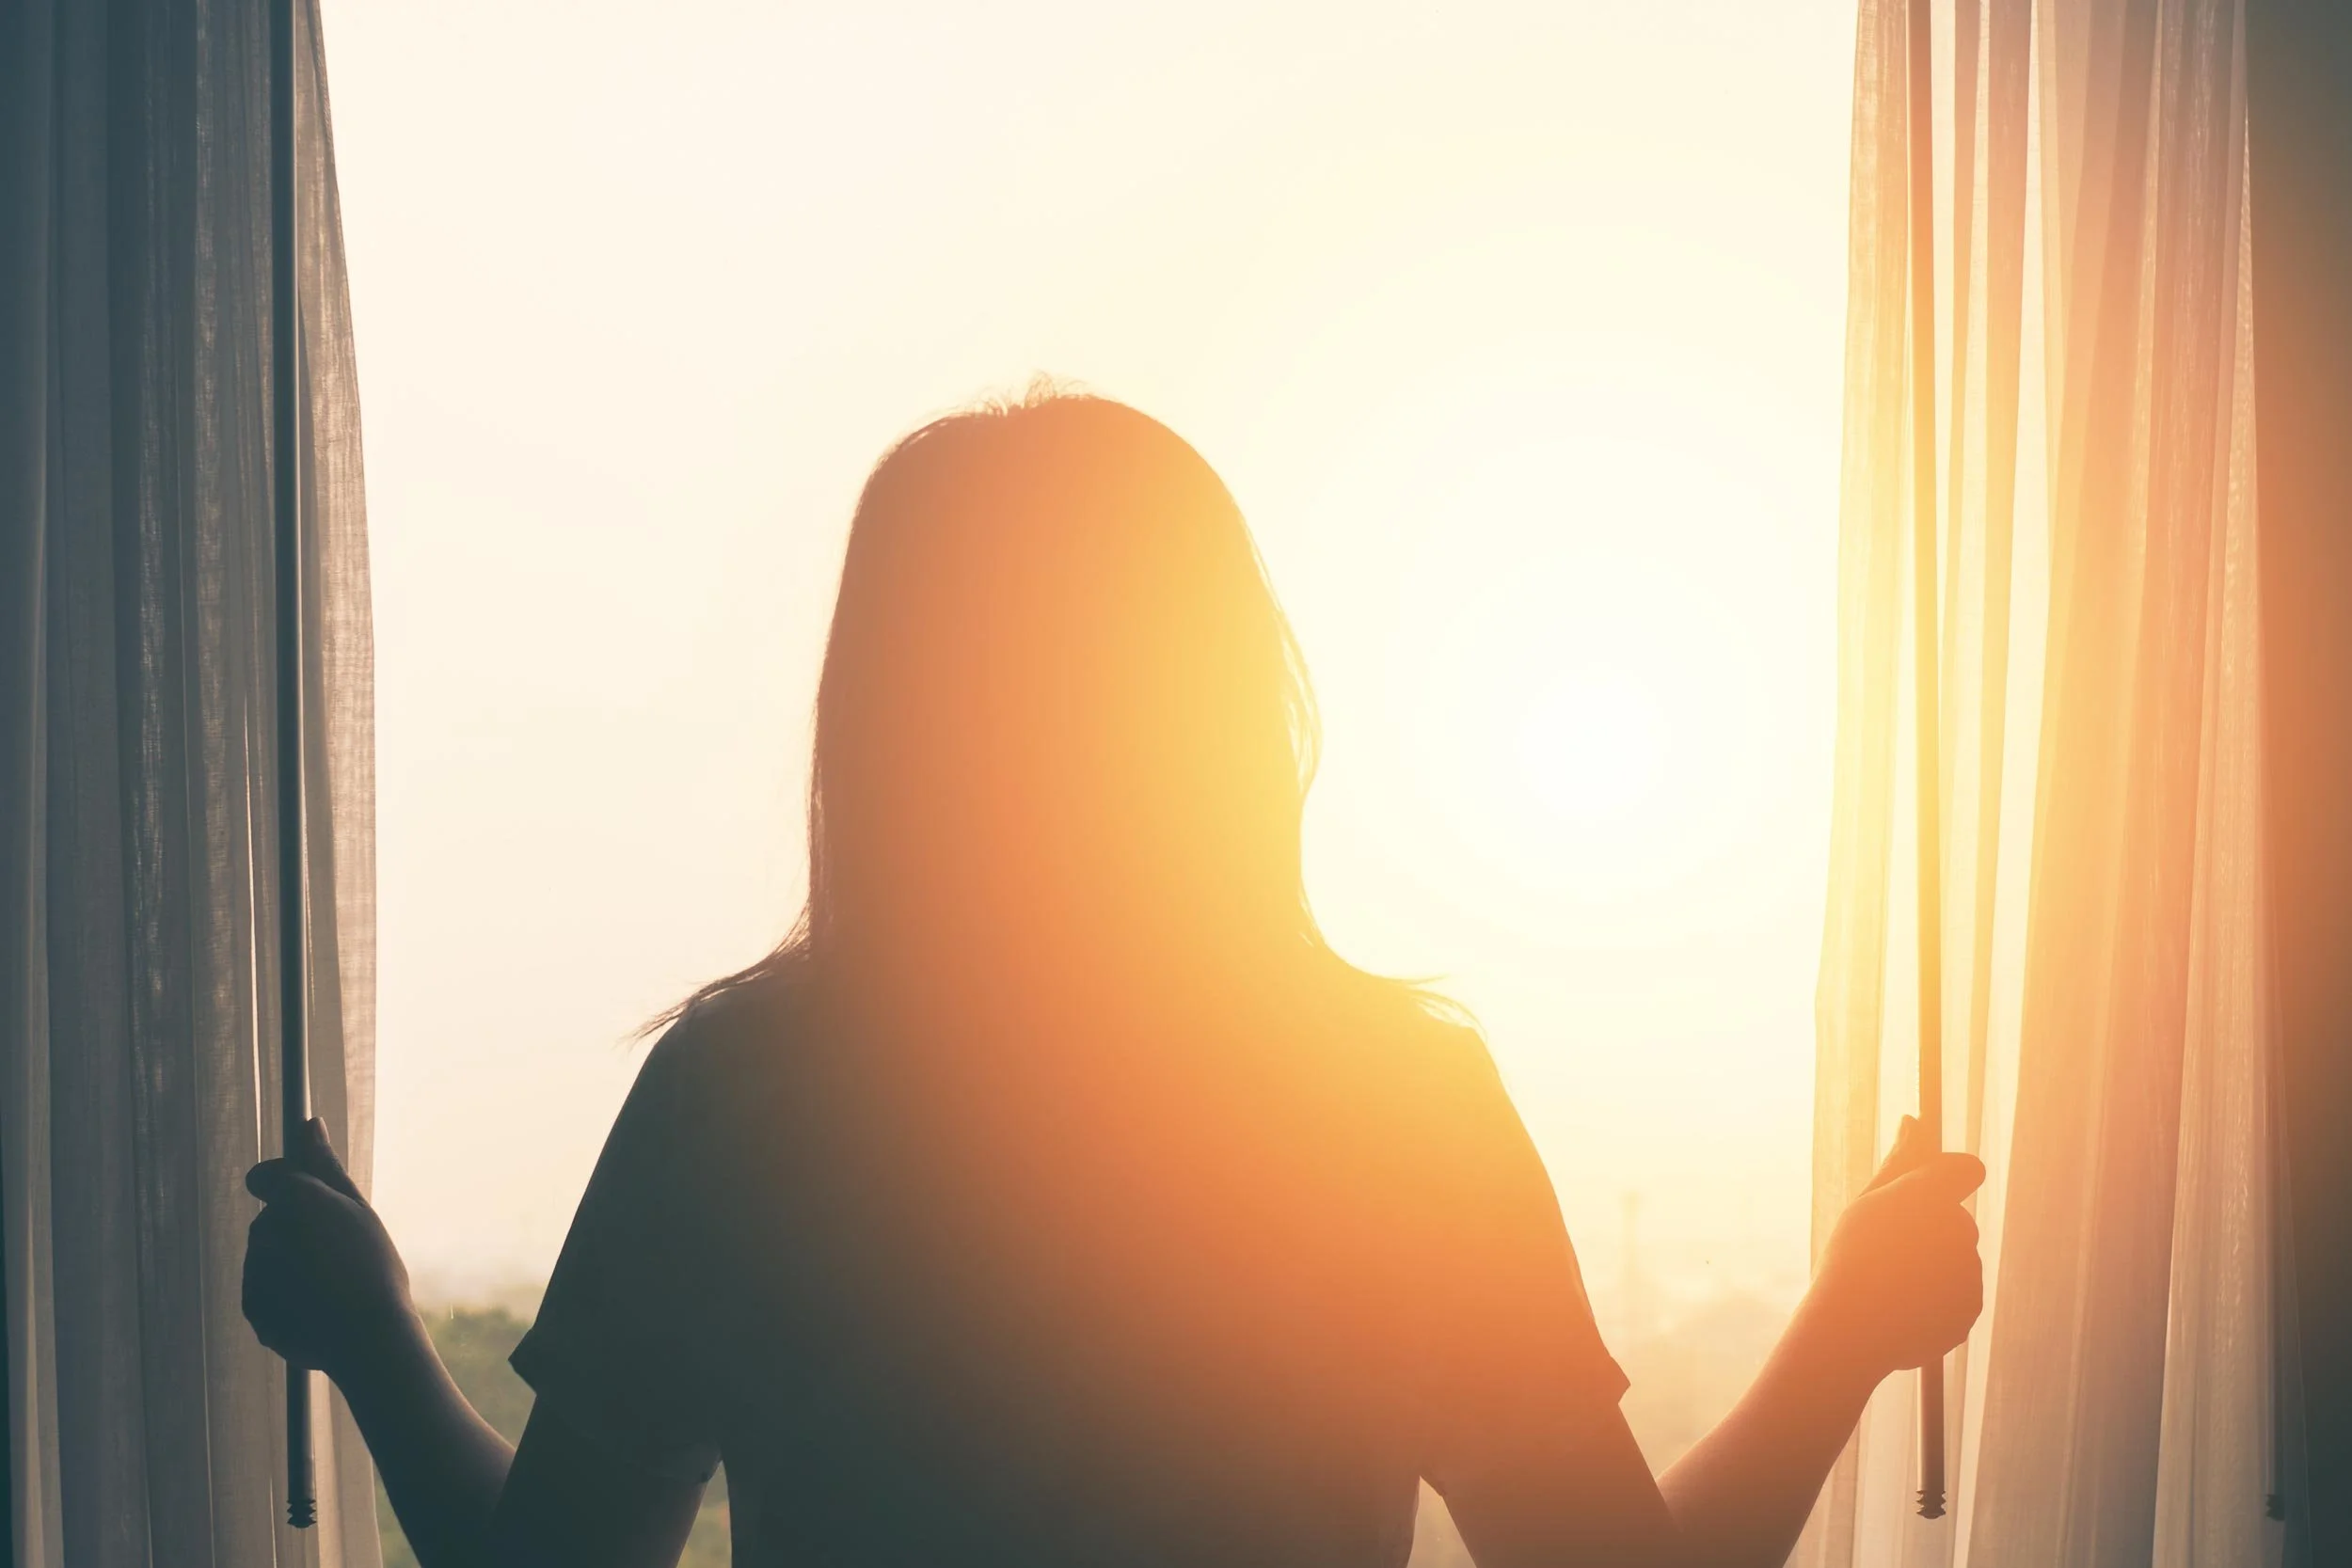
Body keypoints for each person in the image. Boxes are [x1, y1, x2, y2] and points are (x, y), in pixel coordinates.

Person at [244, 392, 1983, 1568]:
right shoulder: (1388, 1108)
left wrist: (378, 1340)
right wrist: (1842, 1330)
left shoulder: (749, 1100)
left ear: (885, 717)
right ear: (1223, 711)